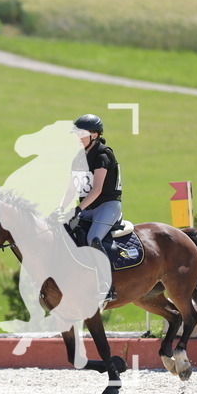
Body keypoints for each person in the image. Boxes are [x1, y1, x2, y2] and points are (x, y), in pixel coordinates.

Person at [71, 113, 124, 302]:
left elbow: (97, 189)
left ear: (94, 135)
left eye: (81, 134)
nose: (77, 138)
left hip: (107, 206)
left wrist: (78, 210)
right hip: (87, 207)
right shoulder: (78, 157)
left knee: (93, 238)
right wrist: (62, 208)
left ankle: (106, 285)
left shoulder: (103, 155)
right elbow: (71, 188)